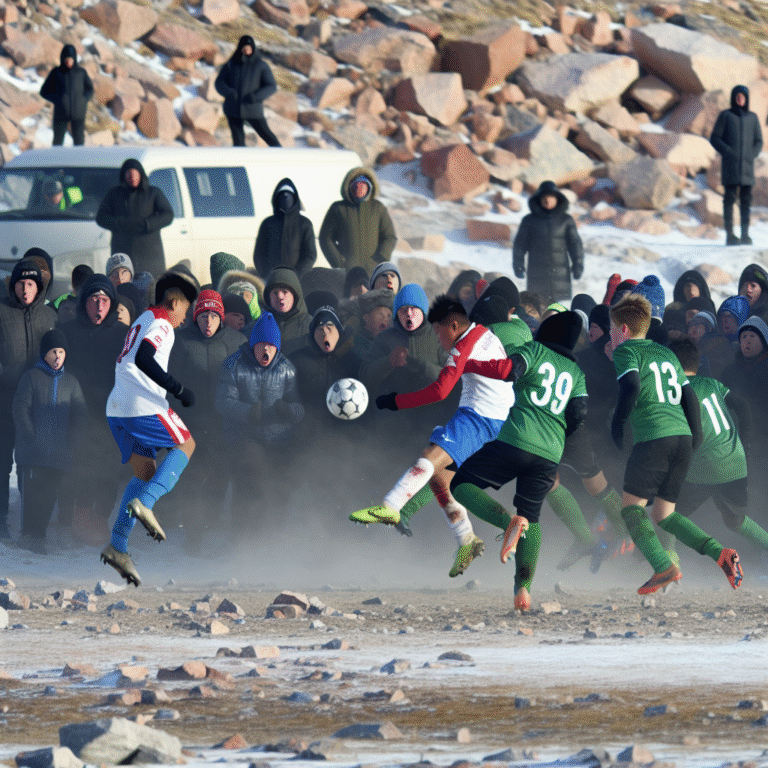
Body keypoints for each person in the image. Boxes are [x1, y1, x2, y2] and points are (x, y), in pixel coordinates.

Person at [350, 296, 515, 579]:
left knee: (428, 458)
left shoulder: (461, 348)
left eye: (438, 332)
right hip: (489, 414)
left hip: (479, 417)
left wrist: (396, 401)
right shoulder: (483, 332)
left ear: (452, 325)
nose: (438, 340)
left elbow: (439, 391)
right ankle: (467, 540)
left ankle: (390, 506)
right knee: (440, 479)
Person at [448, 311, 588, 611]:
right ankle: (522, 589)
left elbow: (509, 370)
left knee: (461, 483)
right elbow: (578, 414)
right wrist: (559, 435)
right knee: (532, 516)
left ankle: (507, 522)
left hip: (515, 439)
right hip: (550, 453)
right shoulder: (577, 374)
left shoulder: (534, 350)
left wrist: (468, 365)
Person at [609, 293, 742, 595]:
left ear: (625, 331)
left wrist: (618, 426)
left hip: (655, 437)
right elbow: (689, 397)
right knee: (664, 515)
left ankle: (662, 566)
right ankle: (721, 554)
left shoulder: (626, 351)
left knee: (630, 509)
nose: (613, 335)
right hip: (681, 438)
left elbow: (630, 387)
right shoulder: (666, 353)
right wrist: (694, 436)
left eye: (613, 329)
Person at [100, 269, 199, 587]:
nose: (185, 319)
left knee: (144, 474)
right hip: (142, 406)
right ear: (173, 303)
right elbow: (144, 357)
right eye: (185, 310)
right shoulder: (162, 324)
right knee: (186, 445)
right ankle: (148, 504)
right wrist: (178, 388)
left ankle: (118, 546)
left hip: (117, 409)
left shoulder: (143, 317)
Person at [666, 338, 768, 563]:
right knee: (736, 521)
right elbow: (742, 407)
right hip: (734, 463)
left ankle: (670, 565)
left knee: (668, 514)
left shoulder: (675, 392)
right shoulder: (712, 384)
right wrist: (743, 443)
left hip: (703, 467)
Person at [168, 290, 245, 552]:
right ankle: (193, 534)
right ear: (195, 318)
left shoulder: (237, 342)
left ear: (221, 318)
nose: (208, 322)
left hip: (225, 424)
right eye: (203, 317)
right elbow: (171, 384)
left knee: (220, 477)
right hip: (191, 424)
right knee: (191, 478)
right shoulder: (181, 342)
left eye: (213, 316)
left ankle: (209, 525)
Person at [57, 273, 131, 547]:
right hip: (78, 414)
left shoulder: (123, 335)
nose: (99, 307)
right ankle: (81, 520)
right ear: (83, 303)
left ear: (111, 303)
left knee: (110, 472)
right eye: (93, 300)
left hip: (113, 415)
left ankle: (99, 518)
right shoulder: (69, 332)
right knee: (82, 471)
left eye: (104, 300)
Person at [215, 312, 304, 536]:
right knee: (250, 480)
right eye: (261, 345)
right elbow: (223, 402)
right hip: (243, 437)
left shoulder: (286, 369)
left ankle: (270, 535)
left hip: (278, 439)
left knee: (279, 488)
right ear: (252, 345)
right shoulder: (233, 365)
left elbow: (299, 408)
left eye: (271, 346)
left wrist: (288, 411)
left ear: (277, 348)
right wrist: (249, 412)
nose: (265, 350)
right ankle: (241, 536)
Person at [12, 329, 88, 553]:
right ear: (44, 353)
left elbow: (80, 414)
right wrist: (29, 436)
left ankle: (40, 535)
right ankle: (29, 535)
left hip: (58, 453)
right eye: (53, 352)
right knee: (32, 495)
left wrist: (72, 440)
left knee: (48, 495)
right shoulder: (31, 378)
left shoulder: (71, 383)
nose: (57, 357)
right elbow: (20, 408)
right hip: (33, 452)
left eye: (62, 352)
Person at [0, 259, 57, 540]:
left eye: (31, 284)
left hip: (38, 402)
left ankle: (32, 524)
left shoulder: (49, 317)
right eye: (21, 283)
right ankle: (1, 520)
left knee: (31, 464)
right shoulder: (1, 312)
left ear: (39, 287)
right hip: (4, 397)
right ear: (13, 286)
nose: (25, 289)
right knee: (1, 462)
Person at [96, 158, 174, 277]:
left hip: (150, 253)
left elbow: (168, 214)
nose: (132, 177)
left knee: (150, 287)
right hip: (122, 252)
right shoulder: (114, 194)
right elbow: (101, 217)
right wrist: (118, 224)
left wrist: (148, 224)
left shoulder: (153, 193)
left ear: (141, 174)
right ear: (124, 176)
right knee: (124, 286)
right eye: (128, 174)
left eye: (135, 173)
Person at [513, 180, 584, 305]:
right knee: (537, 308)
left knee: (559, 312)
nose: (547, 200)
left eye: (551, 197)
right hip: (536, 274)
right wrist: (518, 265)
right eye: (544, 197)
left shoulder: (566, 220)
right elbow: (520, 245)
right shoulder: (529, 220)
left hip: (560, 276)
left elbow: (575, 245)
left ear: (557, 199)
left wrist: (578, 265)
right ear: (539, 199)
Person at [710, 85, 763, 245]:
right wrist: (727, 151)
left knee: (746, 202)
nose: (740, 99)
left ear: (746, 99)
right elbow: (715, 138)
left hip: (747, 168)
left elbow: (759, 141)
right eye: (737, 96)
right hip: (730, 166)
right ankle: (730, 235)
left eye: (743, 96)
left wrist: (752, 154)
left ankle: (745, 235)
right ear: (734, 98)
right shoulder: (726, 115)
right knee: (729, 200)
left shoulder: (753, 118)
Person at [319, 167, 397, 274]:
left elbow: (390, 236)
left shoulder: (378, 208)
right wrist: (338, 262)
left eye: (363, 185)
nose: (359, 188)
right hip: (346, 273)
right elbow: (325, 238)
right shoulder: (338, 208)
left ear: (370, 187)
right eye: (356, 185)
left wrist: (380, 259)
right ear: (349, 187)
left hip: (373, 272)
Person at [215, 35, 280, 148]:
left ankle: (282, 155)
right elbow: (219, 83)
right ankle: (240, 162)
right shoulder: (231, 64)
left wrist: (256, 97)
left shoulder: (261, 65)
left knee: (266, 134)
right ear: (240, 48)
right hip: (233, 108)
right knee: (238, 140)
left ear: (253, 48)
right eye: (244, 47)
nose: (246, 50)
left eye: (249, 47)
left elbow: (271, 86)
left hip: (252, 108)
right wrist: (229, 92)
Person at [253, 179, 316, 279]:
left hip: (297, 279)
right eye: (282, 196)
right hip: (271, 278)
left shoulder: (304, 223)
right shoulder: (268, 223)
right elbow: (259, 254)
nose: (286, 198)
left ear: (295, 198)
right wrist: (267, 273)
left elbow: (310, 254)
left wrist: (297, 273)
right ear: (277, 199)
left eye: (289, 195)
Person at [39, 44, 94, 147]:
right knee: (57, 142)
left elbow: (90, 89)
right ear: (62, 58)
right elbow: (44, 91)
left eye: (71, 59)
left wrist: (83, 100)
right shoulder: (56, 72)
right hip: (61, 114)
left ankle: (78, 162)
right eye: (66, 59)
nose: (69, 61)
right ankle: (56, 163)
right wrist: (57, 99)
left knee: (79, 143)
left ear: (75, 59)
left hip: (78, 114)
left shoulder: (81, 73)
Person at [262, 267, 312, 355]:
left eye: (285, 292)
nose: (280, 296)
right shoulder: (259, 325)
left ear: (295, 295)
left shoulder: (312, 326)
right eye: (275, 293)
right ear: (268, 297)